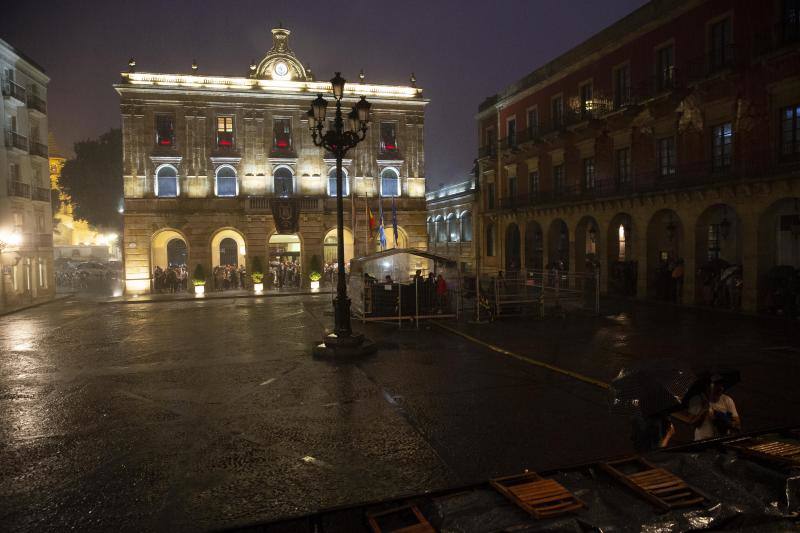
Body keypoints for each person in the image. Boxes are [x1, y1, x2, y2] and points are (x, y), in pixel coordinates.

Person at [688, 374, 740, 441]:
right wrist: (704, 410)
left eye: (721, 385)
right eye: (717, 385)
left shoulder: (727, 400)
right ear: (708, 386)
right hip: (703, 441)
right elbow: (692, 424)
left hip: (722, 441)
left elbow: (737, 424)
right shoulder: (697, 400)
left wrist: (724, 420)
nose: (721, 388)